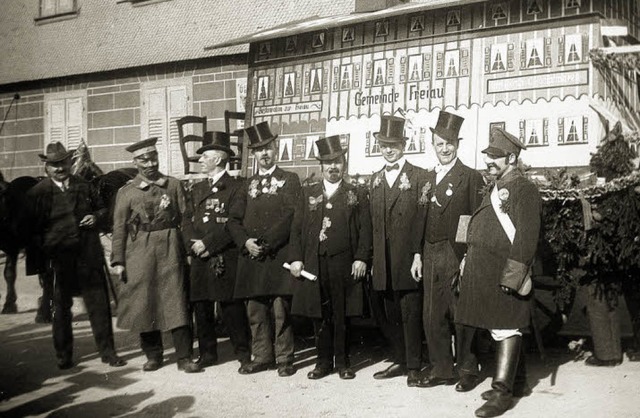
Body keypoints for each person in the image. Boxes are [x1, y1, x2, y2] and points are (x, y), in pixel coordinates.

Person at [455, 128, 541, 418]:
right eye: (488, 155)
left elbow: (527, 238)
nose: (489, 161)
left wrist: (513, 278)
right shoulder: (495, 186)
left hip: (504, 272)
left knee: (505, 327)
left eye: (496, 156)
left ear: (512, 158)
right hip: (485, 271)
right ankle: (518, 383)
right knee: (498, 326)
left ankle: (503, 393)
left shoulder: (524, 189)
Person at [27, 142, 125, 369]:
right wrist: (41, 267)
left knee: (99, 306)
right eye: (54, 165)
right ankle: (64, 355)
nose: (60, 168)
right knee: (61, 309)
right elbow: (30, 231)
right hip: (58, 261)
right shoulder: (38, 193)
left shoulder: (84, 185)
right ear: (46, 167)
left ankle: (108, 353)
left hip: (88, 257)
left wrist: (96, 217)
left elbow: (102, 209)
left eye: (63, 163)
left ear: (70, 163)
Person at [111, 137, 202, 373]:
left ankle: (184, 357)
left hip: (171, 247)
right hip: (139, 250)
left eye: (153, 158)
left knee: (177, 301)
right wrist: (118, 260)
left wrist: (189, 249)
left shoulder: (172, 185)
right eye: (144, 160)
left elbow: (185, 218)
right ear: (136, 162)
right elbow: (119, 228)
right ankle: (153, 355)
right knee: (144, 301)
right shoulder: (127, 192)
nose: (150, 164)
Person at [410, 111, 485, 390]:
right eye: (440, 143)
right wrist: (417, 254)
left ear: (457, 144)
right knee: (432, 314)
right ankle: (442, 368)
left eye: (449, 143)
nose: (445, 148)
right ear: (433, 145)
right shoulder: (427, 178)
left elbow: (474, 219)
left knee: (461, 313)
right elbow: (420, 219)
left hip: (456, 253)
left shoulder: (470, 176)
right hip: (430, 252)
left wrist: (467, 256)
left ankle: (468, 369)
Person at [288, 135, 372, 380]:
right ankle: (322, 362)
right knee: (319, 315)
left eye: (337, 161)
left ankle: (344, 362)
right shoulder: (308, 194)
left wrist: (361, 258)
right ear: (321, 166)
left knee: (342, 313)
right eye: (328, 163)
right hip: (315, 263)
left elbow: (365, 229)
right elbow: (297, 229)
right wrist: (296, 258)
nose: (333, 167)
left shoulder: (355, 194)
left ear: (344, 164)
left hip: (344, 263)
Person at [227, 122, 301, 377]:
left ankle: (284, 358)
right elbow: (233, 220)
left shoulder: (289, 180)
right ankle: (262, 356)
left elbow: (292, 215)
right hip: (252, 258)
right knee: (256, 311)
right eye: (259, 150)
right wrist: (246, 243)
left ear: (275, 148)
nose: (264, 154)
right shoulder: (245, 185)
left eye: (268, 148)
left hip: (277, 253)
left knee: (281, 311)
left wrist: (266, 243)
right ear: (254, 154)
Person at [368, 115, 428, 387]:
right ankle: (400, 359)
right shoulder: (375, 179)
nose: (388, 149)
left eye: (393, 144)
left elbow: (422, 220)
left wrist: (417, 254)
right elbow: (371, 223)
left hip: (407, 258)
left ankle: (414, 365)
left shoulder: (419, 177)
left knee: (410, 313)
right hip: (383, 260)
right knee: (390, 314)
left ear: (404, 144)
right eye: (383, 144)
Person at [183, 131, 251, 369]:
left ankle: (243, 354)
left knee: (230, 307)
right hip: (199, 255)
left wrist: (208, 244)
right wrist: (193, 244)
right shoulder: (197, 188)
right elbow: (186, 220)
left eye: (205, 156)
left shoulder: (236, 187)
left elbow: (234, 221)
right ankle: (207, 354)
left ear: (219, 159)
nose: (200, 160)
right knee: (201, 307)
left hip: (223, 255)